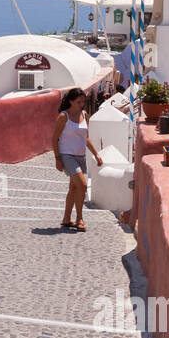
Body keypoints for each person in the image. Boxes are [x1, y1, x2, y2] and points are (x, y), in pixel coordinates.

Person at [53, 87, 103, 231]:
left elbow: (86, 137)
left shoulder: (84, 115)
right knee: (82, 185)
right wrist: (57, 158)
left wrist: (96, 154)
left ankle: (66, 218)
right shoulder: (63, 117)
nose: (82, 104)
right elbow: (54, 139)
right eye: (78, 102)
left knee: (74, 188)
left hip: (80, 155)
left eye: (83, 101)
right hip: (67, 155)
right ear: (70, 101)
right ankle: (79, 218)